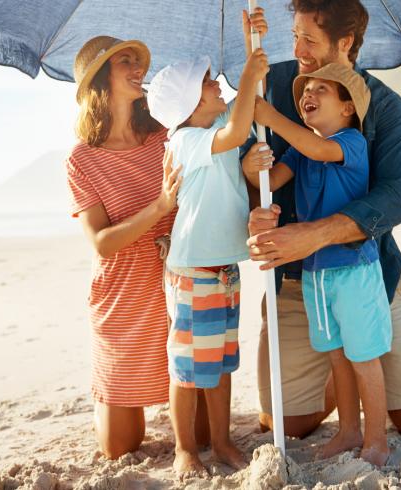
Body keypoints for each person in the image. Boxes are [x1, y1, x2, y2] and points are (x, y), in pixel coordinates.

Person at [241, 1, 401, 440]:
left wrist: (314, 235)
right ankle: (340, 379)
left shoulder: (384, 108)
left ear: (346, 42)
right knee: (286, 425)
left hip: (365, 274)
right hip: (299, 283)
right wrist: (256, 210)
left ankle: (358, 363)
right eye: (293, 35)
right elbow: (252, 177)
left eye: (309, 40)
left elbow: (395, 198)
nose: (297, 49)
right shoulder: (271, 89)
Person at [245, 63, 391, 466]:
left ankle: (376, 438)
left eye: (320, 89)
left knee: (363, 356)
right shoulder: (299, 149)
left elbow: (319, 150)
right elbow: (272, 181)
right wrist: (252, 164)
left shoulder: (351, 142)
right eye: (305, 89)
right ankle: (348, 431)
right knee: (336, 355)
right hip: (315, 272)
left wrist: (273, 118)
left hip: (353, 270)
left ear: (347, 108)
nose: (308, 93)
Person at [65, 36, 204, 459]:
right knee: (119, 448)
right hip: (122, 298)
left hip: (177, 288)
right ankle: (103, 397)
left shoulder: (166, 136)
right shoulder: (81, 159)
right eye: (125, 61)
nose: (137, 67)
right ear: (100, 79)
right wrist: (160, 206)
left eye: (137, 60)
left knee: (197, 437)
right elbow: (102, 243)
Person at [145, 47, 268, 476]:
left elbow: (248, 103)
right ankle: (185, 449)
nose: (219, 84)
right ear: (190, 103)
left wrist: (252, 47)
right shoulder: (184, 141)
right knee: (187, 369)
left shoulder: (215, 122)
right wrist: (249, 74)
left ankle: (221, 441)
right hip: (194, 269)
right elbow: (236, 132)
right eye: (209, 81)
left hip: (223, 268)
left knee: (219, 362)